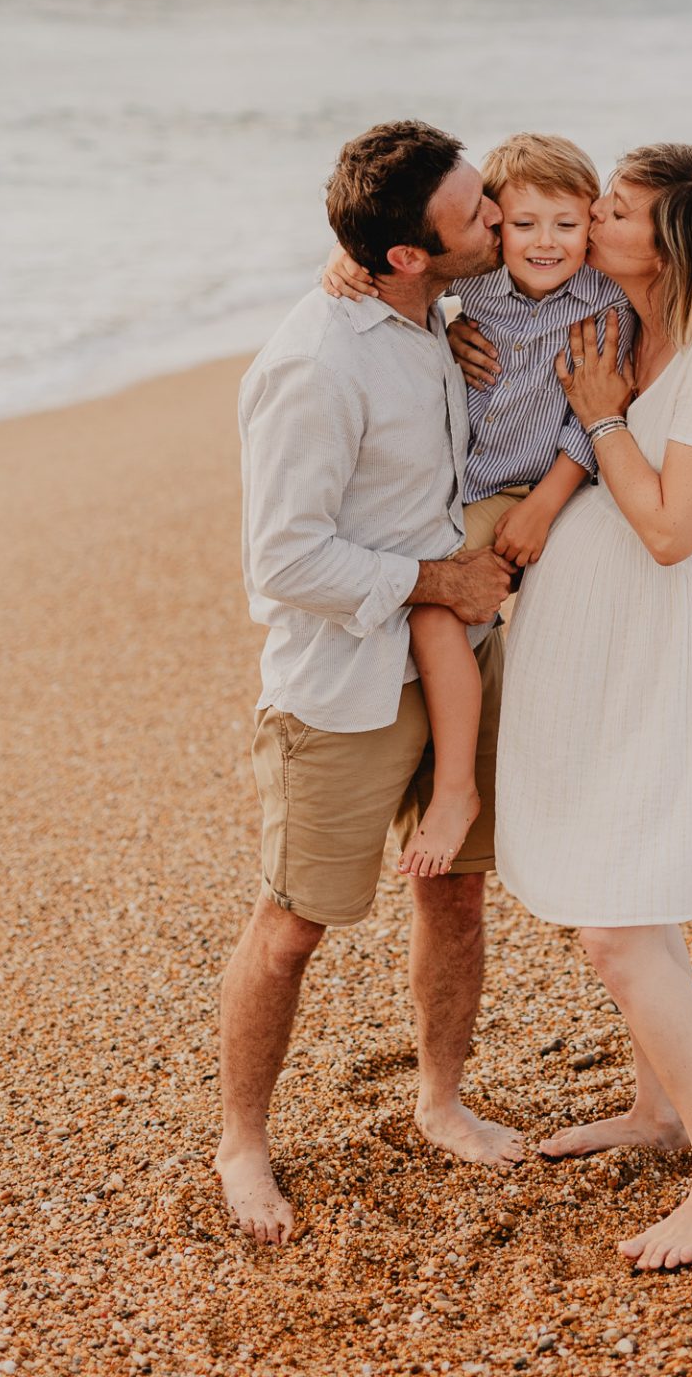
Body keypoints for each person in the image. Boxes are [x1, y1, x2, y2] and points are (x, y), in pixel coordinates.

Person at [459, 143, 692, 1272]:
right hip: (620, 662)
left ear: (675, 241)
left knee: (612, 924)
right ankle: (659, 1112)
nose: (590, 218)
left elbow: (667, 530)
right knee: (640, 903)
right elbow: (488, 270)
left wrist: (601, 421)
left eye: (614, 209)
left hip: (682, 658)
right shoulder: (624, 320)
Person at [215, 120, 521, 1249]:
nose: (497, 218)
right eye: (478, 213)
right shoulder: (309, 367)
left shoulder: (430, 312)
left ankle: (439, 1099)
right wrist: (432, 576)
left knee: (456, 892)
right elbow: (279, 560)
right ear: (404, 255)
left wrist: (464, 336)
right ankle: (241, 1139)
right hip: (341, 687)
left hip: (454, 664)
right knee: (292, 926)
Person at [321, 133, 634, 878]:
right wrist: (341, 263)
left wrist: (545, 504)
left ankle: (456, 787)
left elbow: (594, 416)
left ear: (591, 221)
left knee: (437, 608)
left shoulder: (604, 301)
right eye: (523, 224)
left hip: (527, 487)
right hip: (465, 486)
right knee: (444, 604)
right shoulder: (474, 289)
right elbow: (403, 268)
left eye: (566, 223)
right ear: (495, 223)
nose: (545, 242)